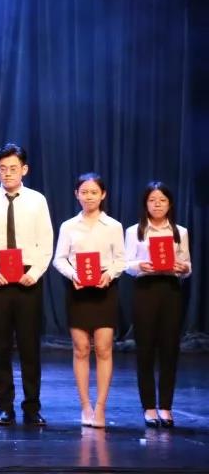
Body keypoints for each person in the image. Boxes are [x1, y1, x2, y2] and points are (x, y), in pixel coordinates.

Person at [0, 142, 54, 427]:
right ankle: (4, 407)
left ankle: (32, 406)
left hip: (28, 278)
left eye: (13, 168)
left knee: (30, 347)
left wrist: (37, 272)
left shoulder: (37, 200)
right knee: (0, 347)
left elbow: (46, 241)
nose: (8, 173)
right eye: (3, 168)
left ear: (24, 170)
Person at [53, 173, 125, 428]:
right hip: (78, 288)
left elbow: (121, 259)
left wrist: (109, 274)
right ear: (76, 195)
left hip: (104, 288)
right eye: (84, 192)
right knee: (81, 348)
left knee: (104, 348)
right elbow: (59, 259)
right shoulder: (68, 226)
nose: (89, 197)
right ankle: (85, 405)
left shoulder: (113, 226)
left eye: (94, 192)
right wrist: (73, 274)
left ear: (103, 195)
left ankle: (101, 406)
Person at [124, 181, 192, 428]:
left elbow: (187, 265)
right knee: (145, 350)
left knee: (169, 350)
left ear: (169, 204)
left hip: (170, 291)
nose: (157, 204)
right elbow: (126, 264)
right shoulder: (135, 231)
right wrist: (139, 266)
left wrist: (183, 268)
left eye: (162, 200)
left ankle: (166, 406)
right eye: (152, 200)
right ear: (146, 204)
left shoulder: (179, 231)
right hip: (145, 290)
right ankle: (149, 407)